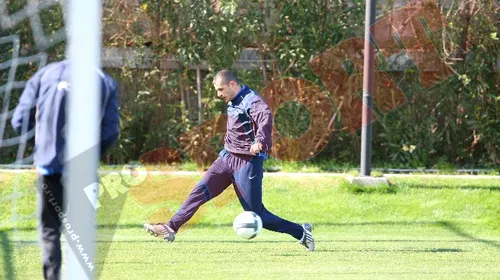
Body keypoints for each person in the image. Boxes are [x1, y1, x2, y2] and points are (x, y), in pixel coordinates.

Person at [144, 69, 314, 251]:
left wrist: (260, 141)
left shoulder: (252, 100)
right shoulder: (232, 100)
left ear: (232, 84)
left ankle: (300, 232)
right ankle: (170, 227)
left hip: (247, 164)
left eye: (221, 89)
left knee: (257, 215)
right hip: (226, 158)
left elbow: (264, 116)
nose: (219, 95)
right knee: (198, 192)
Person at [11, 60, 120, 280]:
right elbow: (110, 131)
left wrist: (42, 148)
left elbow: (20, 121)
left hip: (50, 170)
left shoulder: (45, 74)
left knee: (50, 232)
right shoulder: (103, 80)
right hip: (84, 174)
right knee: (82, 234)